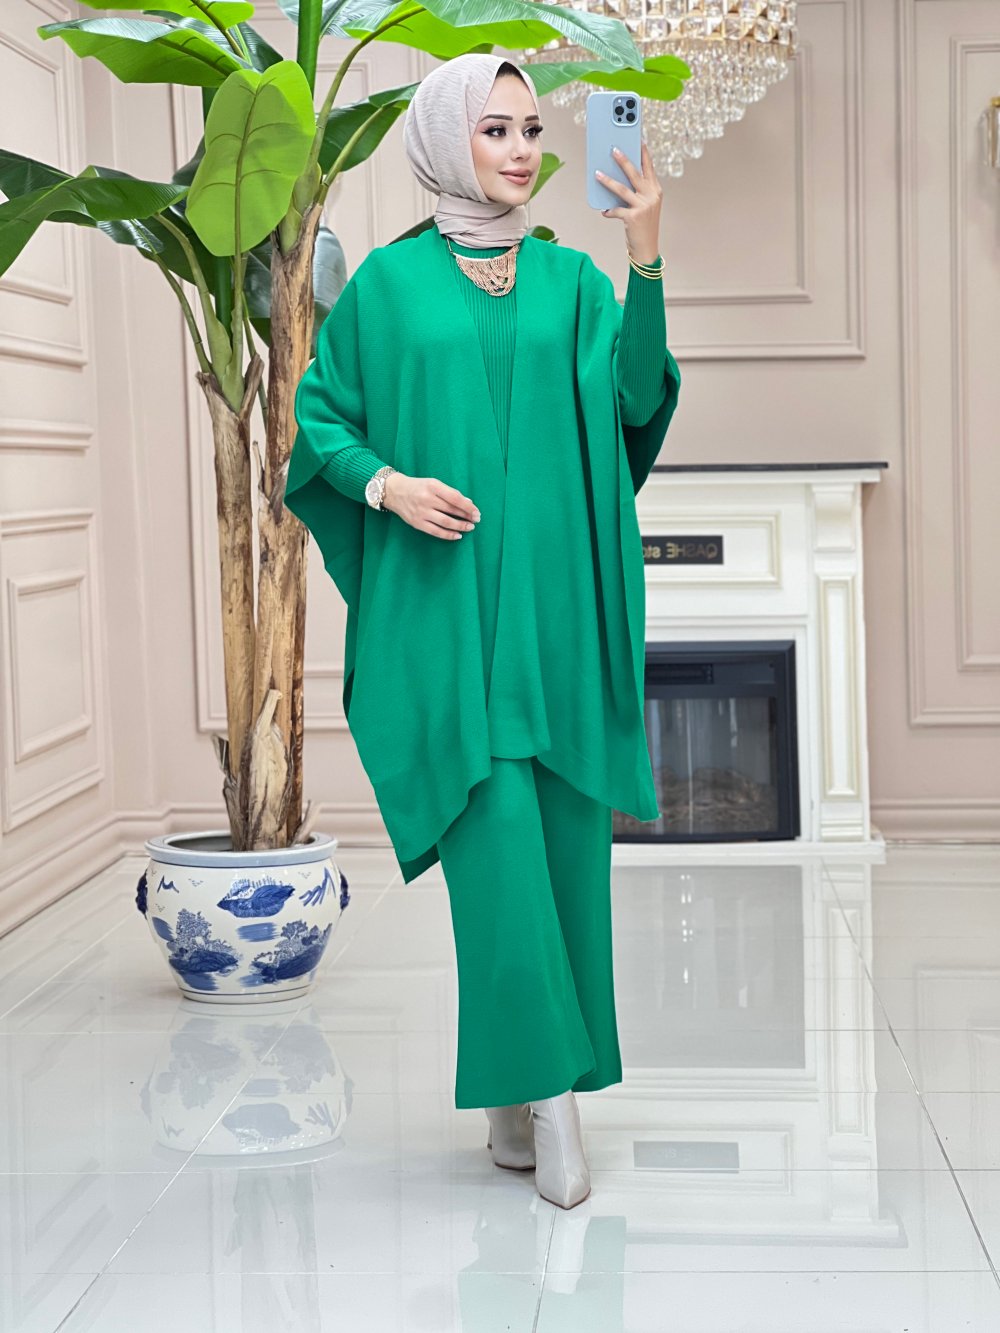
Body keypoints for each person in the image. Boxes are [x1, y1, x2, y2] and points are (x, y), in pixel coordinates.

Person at [284, 52, 681, 1210]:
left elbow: (636, 400)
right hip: (450, 623)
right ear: (444, 139)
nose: (519, 149)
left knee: (564, 863)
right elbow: (319, 423)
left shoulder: (571, 282)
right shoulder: (388, 287)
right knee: (497, 854)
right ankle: (553, 1103)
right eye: (494, 128)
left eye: (530, 130)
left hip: (558, 617)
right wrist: (387, 485)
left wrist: (645, 255)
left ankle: (514, 1096)